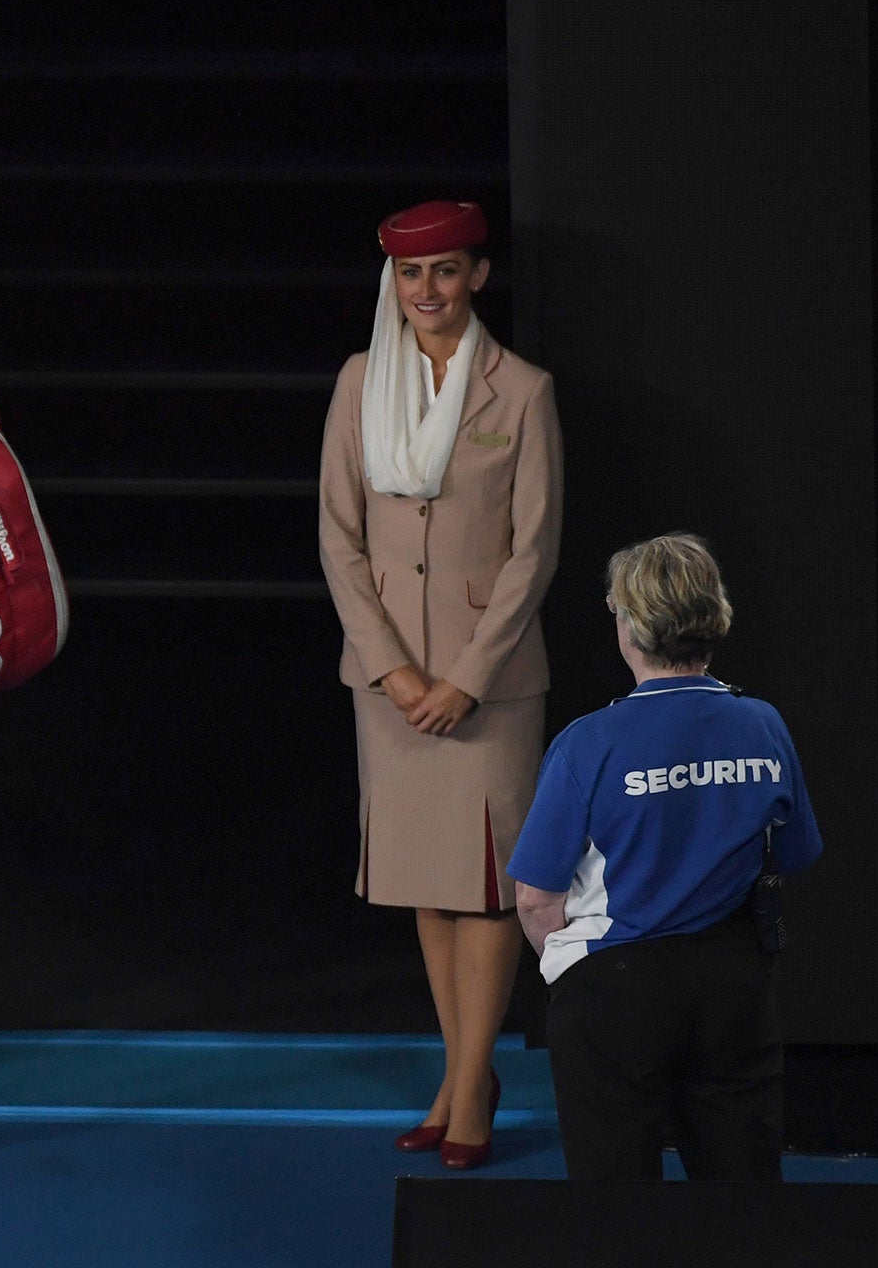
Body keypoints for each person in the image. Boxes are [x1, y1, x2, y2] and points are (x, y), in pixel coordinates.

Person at [318, 199, 563, 1170]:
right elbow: (338, 540)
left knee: (487, 886)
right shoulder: (356, 384)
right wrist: (393, 668)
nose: (429, 291)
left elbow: (532, 552)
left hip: (489, 684)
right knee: (428, 884)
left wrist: (462, 676)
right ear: (393, 284)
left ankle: (467, 1089)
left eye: (447, 272)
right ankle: (464, 1074)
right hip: (386, 684)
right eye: (412, 276)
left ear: (477, 277)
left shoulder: (523, 391)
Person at [511, 534, 821, 1181]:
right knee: (742, 1199)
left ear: (630, 626)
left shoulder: (586, 744)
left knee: (619, 1208)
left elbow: (536, 900)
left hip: (614, 992)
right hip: (734, 988)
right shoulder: (763, 724)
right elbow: (793, 853)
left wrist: (575, 970)